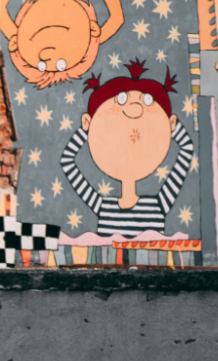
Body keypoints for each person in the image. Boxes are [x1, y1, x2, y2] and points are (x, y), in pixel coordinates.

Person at [60, 59, 194, 238]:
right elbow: (67, 161)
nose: (135, 108)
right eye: (122, 99)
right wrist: (90, 129)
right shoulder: (103, 207)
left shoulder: (159, 205)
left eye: (147, 101)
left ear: (171, 123)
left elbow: (186, 150)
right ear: (87, 122)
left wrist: (169, 127)